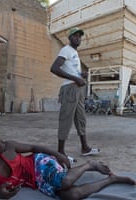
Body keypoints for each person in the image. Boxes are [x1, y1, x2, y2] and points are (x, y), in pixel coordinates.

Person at [0, 129, 136, 200]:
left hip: (38, 162)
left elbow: (33, 147)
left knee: (65, 182)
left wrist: (58, 154)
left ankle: (88, 164)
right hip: (34, 181)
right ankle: (110, 180)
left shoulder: (8, 147)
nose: (3, 142)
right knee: (70, 196)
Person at [50, 27, 100, 159]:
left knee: (80, 119)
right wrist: (75, 78)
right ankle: (60, 153)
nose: (78, 38)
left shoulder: (74, 53)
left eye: (79, 36)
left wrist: (80, 74)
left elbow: (71, 71)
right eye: (75, 36)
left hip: (77, 89)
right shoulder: (66, 50)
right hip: (70, 88)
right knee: (66, 119)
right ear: (69, 38)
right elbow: (54, 68)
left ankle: (85, 147)